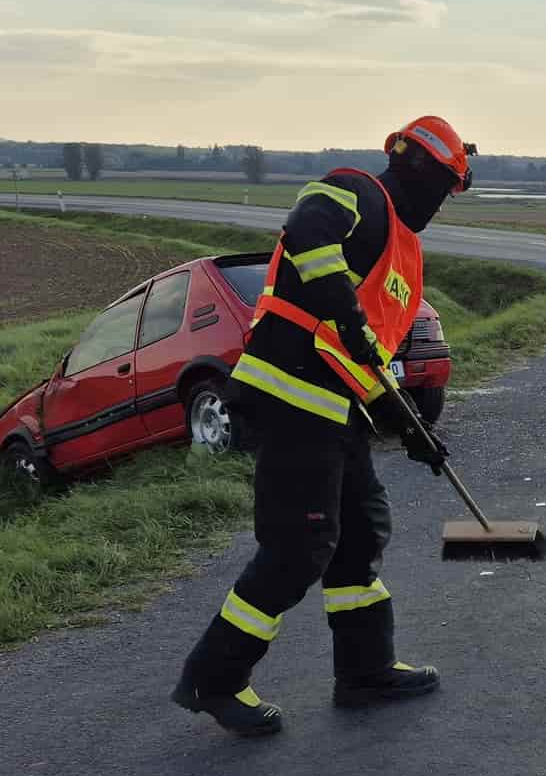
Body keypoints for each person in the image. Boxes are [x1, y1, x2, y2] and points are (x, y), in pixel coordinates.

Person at [171, 117, 475, 736]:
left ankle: (365, 671)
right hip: (292, 395)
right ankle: (214, 678)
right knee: (298, 546)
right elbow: (309, 230)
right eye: (444, 189)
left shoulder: (404, 253)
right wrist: (346, 308)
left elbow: (367, 358)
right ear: (419, 166)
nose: (441, 205)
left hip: (337, 408)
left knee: (361, 533)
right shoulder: (357, 190)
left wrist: (409, 426)